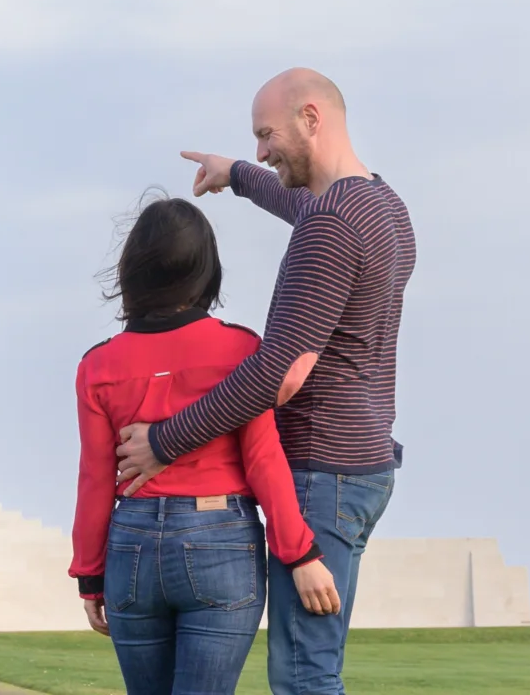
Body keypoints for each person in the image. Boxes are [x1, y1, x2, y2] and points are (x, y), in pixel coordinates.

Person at [113, 69, 415, 695]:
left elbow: (267, 378)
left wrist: (165, 441)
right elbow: (306, 209)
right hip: (363, 465)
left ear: (312, 118)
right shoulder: (382, 205)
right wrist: (238, 175)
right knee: (315, 665)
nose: (261, 150)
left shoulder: (330, 229)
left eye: (266, 135)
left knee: (305, 676)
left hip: (318, 471)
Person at [73, 194, 341, 695]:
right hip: (220, 540)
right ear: (206, 270)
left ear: (132, 270)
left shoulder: (97, 366)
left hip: (129, 549)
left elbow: (94, 479)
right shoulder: (239, 347)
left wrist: (89, 574)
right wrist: (300, 553)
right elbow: (263, 460)